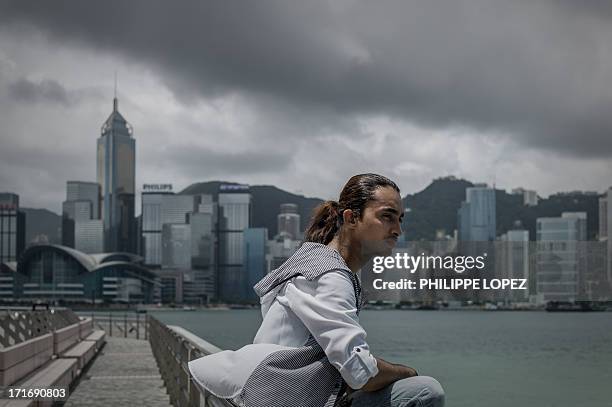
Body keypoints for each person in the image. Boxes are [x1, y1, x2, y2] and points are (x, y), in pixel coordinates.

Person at [188, 173, 445, 407]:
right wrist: (406, 371)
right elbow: (358, 371)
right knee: (424, 390)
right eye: (387, 216)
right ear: (351, 217)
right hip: (282, 397)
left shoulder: (309, 261)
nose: (398, 229)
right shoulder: (330, 275)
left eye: (400, 219)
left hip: (270, 391)